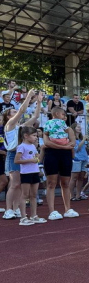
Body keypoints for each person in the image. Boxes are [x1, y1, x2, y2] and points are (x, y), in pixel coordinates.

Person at [3, 90, 43, 220]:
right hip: (12, 154)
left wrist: (39, 101)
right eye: (12, 112)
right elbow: (21, 110)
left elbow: (36, 116)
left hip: (22, 154)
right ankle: (8, 210)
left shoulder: (21, 127)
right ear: (8, 116)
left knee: (20, 184)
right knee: (14, 184)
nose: (16, 112)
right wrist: (29, 96)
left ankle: (16, 209)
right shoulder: (9, 125)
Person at [14, 126, 45, 225]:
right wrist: (30, 160)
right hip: (26, 173)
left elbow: (37, 157)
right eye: (34, 135)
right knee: (25, 195)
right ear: (26, 136)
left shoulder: (33, 146)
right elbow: (16, 160)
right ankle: (23, 217)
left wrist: (37, 156)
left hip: (34, 172)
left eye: (36, 135)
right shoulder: (21, 146)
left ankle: (34, 215)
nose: (36, 137)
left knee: (33, 195)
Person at [68, 123, 88, 201]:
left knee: (81, 177)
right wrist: (83, 140)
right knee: (74, 177)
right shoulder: (72, 139)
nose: (80, 128)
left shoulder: (80, 138)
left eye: (80, 127)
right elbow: (77, 149)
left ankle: (78, 194)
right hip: (76, 159)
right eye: (78, 127)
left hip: (84, 158)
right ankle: (71, 195)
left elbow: (85, 148)